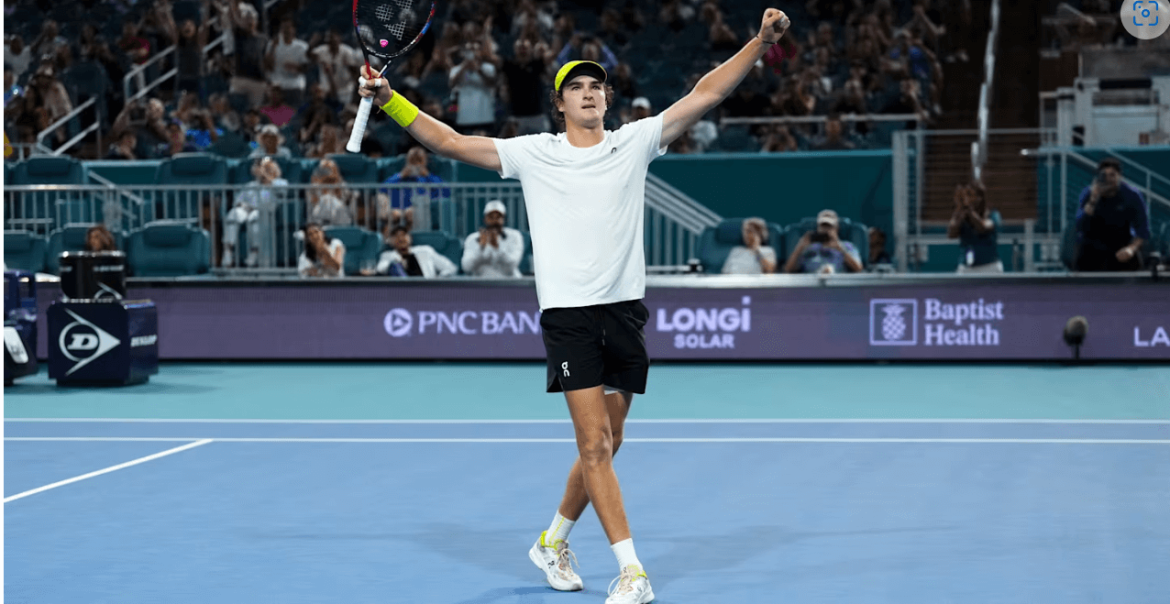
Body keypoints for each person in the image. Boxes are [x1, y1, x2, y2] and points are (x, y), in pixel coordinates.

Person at [357, 8, 792, 603]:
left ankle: (552, 540)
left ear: (607, 101)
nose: (588, 94)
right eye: (575, 88)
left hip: (624, 311)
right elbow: (450, 141)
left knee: (609, 444)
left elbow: (706, 92)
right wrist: (389, 101)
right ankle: (633, 572)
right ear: (559, 105)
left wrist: (760, 44)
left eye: (596, 87)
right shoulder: (535, 153)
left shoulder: (636, 142)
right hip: (568, 316)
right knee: (593, 447)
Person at [1074, 158, 1150, 272]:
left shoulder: (1132, 195)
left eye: (1112, 175)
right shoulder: (1088, 193)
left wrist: (1131, 249)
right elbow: (1080, 226)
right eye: (1104, 175)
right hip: (1092, 249)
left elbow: (1143, 231)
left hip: (1120, 246)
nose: (1108, 179)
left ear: (1120, 177)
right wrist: (1093, 199)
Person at [225, 157, 287, 267]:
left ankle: (254, 252)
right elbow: (238, 200)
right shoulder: (251, 185)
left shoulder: (280, 183)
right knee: (233, 214)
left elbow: (282, 194)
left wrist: (268, 178)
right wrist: (243, 206)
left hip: (264, 212)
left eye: (265, 168)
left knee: (255, 217)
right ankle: (228, 251)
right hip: (246, 209)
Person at [377, 146, 445, 232]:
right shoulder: (399, 177)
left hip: (418, 211)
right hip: (397, 210)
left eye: (419, 161)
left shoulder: (429, 178)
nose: (415, 165)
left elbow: (445, 191)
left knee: (411, 213)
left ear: (425, 162)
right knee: (386, 205)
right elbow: (382, 189)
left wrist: (427, 175)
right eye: (412, 161)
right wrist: (400, 175)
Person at [784, 209, 864, 274]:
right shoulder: (807, 247)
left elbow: (858, 269)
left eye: (829, 227)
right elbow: (788, 270)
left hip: (837, 285)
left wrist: (840, 249)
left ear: (836, 228)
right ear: (817, 227)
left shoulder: (846, 246)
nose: (825, 230)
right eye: (823, 226)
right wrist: (800, 247)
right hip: (810, 285)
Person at [947, 181, 1002, 273]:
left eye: (971, 196)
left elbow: (983, 227)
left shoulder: (993, 215)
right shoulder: (962, 216)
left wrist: (969, 210)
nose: (969, 199)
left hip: (990, 266)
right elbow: (951, 234)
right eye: (967, 196)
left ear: (980, 198)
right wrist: (959, 208)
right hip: (966, 267)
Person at [462, 200, 524, 277]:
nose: (495, 221)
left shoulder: (514, 236)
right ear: (485, 219)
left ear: (504, 219)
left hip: (509, 282)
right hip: (482, 284)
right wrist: (481, 248)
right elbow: (467, 267)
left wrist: (497, 247)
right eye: (491, 217)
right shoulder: (473, 238)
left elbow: (512, 265)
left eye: (498, 217)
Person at [375, 224, 458, 277]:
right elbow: (381, 269)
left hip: (428, 290)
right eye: (396, 236)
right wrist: (396, 262)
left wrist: (438, 280)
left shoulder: (425, 250)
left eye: (403, 235)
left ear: (410, 238)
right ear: (391, 241)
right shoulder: (387, 255)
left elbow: (451, 268)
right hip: (402, 292)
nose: (400, 238)